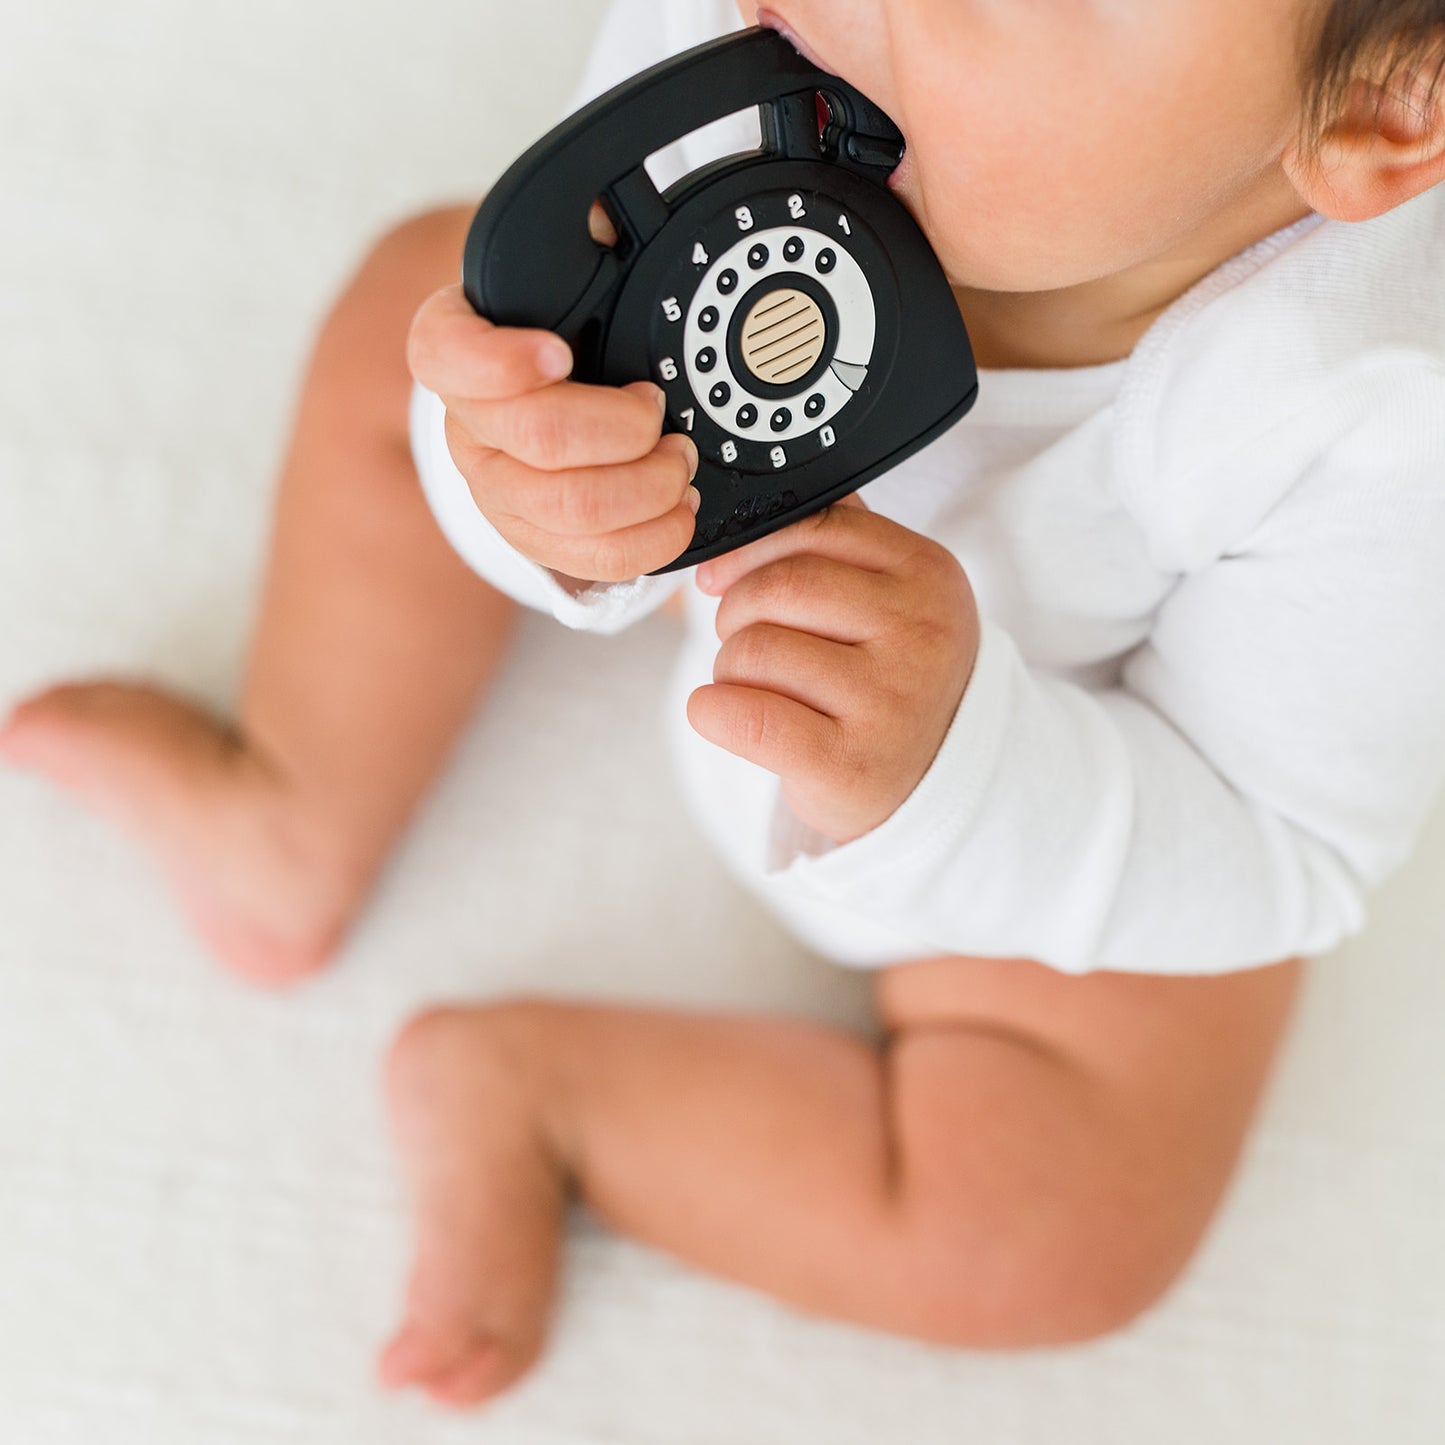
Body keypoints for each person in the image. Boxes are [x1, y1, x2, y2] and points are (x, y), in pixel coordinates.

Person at [4, 0, 1445, 1412]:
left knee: (1062, 1222)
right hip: (684, 518)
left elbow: (1276, 832)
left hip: (1051, 750)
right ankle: (290, 802)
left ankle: (553, 1101)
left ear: (1381, 105)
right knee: (422, 324)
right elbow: (548, 319)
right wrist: (543, 492)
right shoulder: (759, 53)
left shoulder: (1376, 418)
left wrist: (953, 769)